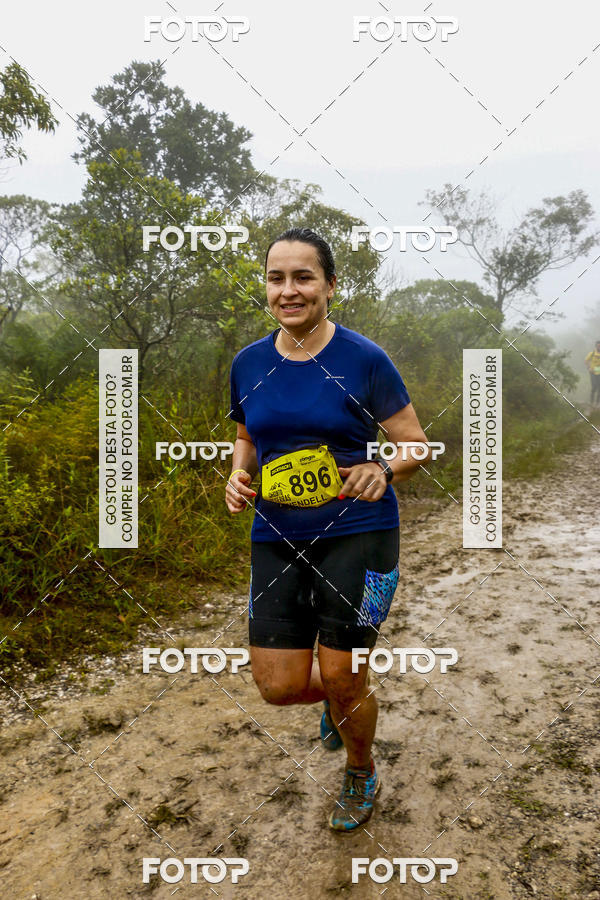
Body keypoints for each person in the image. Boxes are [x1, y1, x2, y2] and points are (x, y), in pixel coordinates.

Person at [225, 227, 432, 832]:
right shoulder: (249, 363)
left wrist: (382, 469)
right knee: (277, 686)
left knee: (341, 671)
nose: (288, 291)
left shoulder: (364, 359)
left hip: (358, 533)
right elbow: (246, 438)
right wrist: (237, 478)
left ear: (329, 286)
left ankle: (360, 770)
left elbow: (416, 446)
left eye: (303, 277)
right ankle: (344, 699)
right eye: (276, 278)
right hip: (277, 538)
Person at [585, 340, 600, 406]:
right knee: (594, 386)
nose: (599, 347)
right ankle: (591, 402)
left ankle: (597, 403)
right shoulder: (592, 353)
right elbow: (586, 360)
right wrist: (589, 368)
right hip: (593, 372)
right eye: (598, 346)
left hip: (599, 372)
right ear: (596, 346)